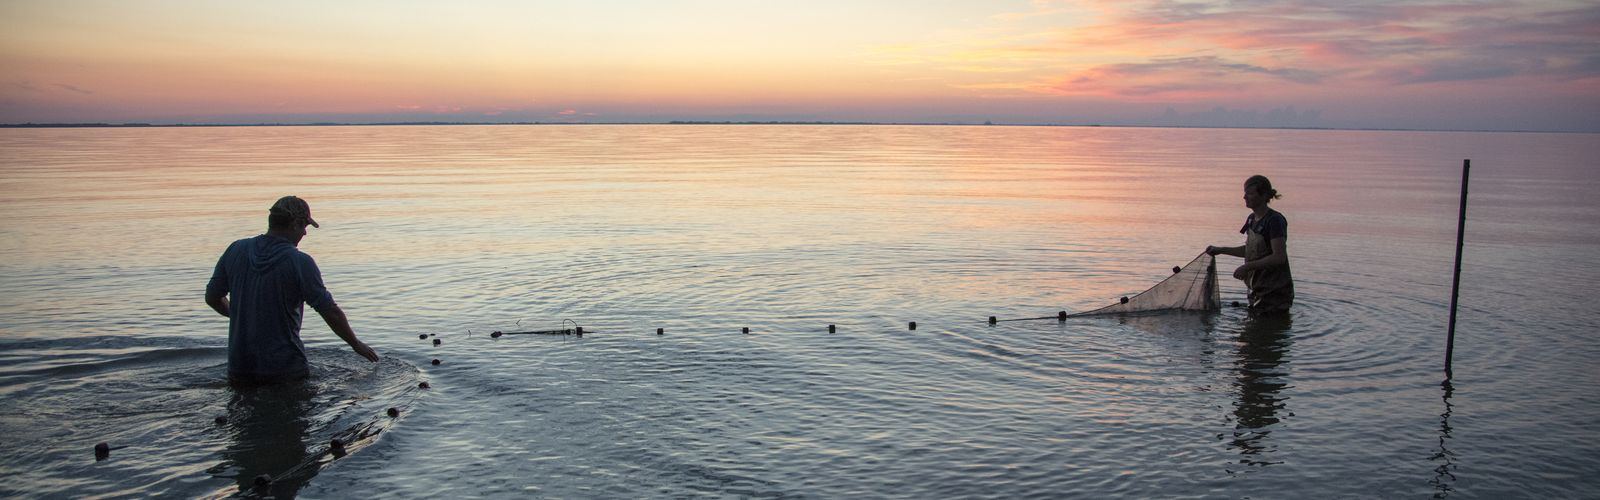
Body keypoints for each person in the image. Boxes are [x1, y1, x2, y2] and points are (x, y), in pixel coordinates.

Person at [206, 196, 378, 384]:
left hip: (239, 368)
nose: (305, 233)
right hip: (285, 369)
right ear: (295, 224)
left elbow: (212, 297)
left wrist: (241, 316)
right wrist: (356, 344)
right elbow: (330, 311)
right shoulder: (300, 262)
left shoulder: (236, 249)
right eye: (305, 226)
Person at [1207, 175, 1294, 314]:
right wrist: (1221, 250)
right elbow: (1251, 250)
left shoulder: (1275, 221)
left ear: (1264, 195)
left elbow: (1279, 257)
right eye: (1245, 192)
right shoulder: (1251, 219)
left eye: (1250, 193)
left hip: (1275, 293)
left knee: (1265, 331)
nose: (1244, 197)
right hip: (1257, 289)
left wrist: (1247, 267)